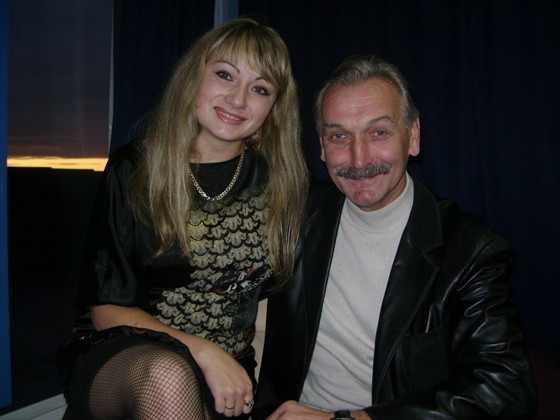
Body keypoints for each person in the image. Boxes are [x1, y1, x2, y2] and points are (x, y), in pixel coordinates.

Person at [253, 55, 536, 419]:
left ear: (413, 136)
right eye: (339, 136)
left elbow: (506, 387)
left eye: (379, 133)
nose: (358, 159)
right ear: (321, 147)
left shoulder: (469, 251)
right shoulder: (296, 215)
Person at [56, 18, 308, 420]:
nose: (238, 99)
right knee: (168, 377)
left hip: (226, 371)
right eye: (225, 75)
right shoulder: (135, 170)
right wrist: (204, 352)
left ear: (274, 106)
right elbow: (106, 309)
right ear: (194, 77)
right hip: (126, 355)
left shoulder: (280, 182)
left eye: (260, 88)